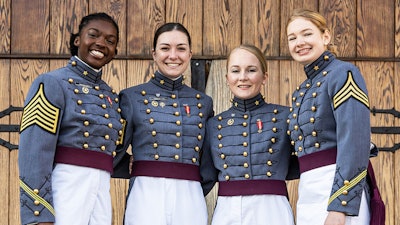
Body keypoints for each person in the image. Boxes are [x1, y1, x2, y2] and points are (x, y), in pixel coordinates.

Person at [18, 12, 123, 225]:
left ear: (115, 51)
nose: (101, 43)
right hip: (65, 188)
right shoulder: (51, 83)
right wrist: (39, 214)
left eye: (110, 41)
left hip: (101, 190)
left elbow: (110, 152)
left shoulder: (111, 95)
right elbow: (33, 153)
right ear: (77, 40)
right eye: (93, 35)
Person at [113, 22, 214, 225]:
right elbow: (113, 149)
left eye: (181, 48)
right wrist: (132, 166)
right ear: (154, 54)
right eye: (165, 48)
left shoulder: (203, 102)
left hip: (190, 197)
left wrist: (192, 186)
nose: (173, 55)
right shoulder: (132, 97)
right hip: (145, 195)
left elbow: (208, 159)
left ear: (190, 54)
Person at [286, 8, 378, 225]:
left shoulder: (343, 73)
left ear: (325, 36)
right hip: (308, 191)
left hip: (336, 191)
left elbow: (355, 142)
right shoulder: (301, 91)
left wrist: (340, 206)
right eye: (292, 37)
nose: (299, 42)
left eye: (307, 34)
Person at [200, 44, 299, 225]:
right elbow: (205, 176)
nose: (243, 77)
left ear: (264, 77)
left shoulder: (286, 117)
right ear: (227, 78)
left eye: (251, 70)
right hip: (227, 212)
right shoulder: (214, 125)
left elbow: (305, 161)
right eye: (236, 71)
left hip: (273, 211)